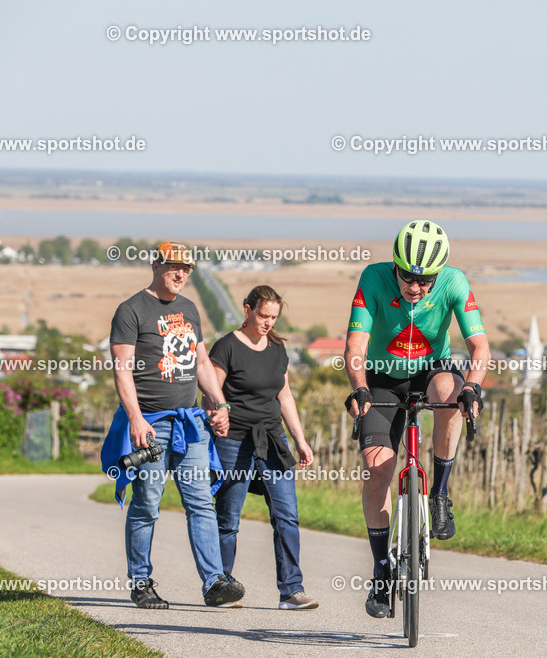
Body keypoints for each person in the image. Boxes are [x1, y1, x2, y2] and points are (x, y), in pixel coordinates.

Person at [343, 220, 489, 618]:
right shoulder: (373, 278)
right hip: (382, 378)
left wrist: (473, 386)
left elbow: (479, 346)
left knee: (452, 392)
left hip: (432, 370)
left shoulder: (455, 282)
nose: (416, 287)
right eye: (408, 276)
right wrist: (360, 386)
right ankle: (381, 570)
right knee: (378, 471)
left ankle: (439, 493)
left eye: (426, 280)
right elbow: (356, 343)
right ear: (395, 265)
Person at [101, 240, 244, 609]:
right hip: (151, 424)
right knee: (148, 502)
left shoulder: (190, 309)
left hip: (190, 423)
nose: (180, 274)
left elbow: (200, 365)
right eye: (173, 267)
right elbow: (123, 370)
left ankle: (214, 582)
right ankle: (141, 582)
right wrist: (135, 418)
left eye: (187, 269)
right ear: (156, 266)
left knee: (200, 502)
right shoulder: (131, 310)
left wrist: (220, 403)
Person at [207, 285, 319, 610]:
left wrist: (300, 439)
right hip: (234, 439)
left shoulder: (276, 349)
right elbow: (212, 391)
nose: (268, 322)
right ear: (247, 310)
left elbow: (284, 397)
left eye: (274, 317)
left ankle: (291, 591)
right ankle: (221, 585)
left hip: (272, 439)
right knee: (228, 516)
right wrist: (217, 415)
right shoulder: (226, 346)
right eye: (263, 315)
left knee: (287, 514)